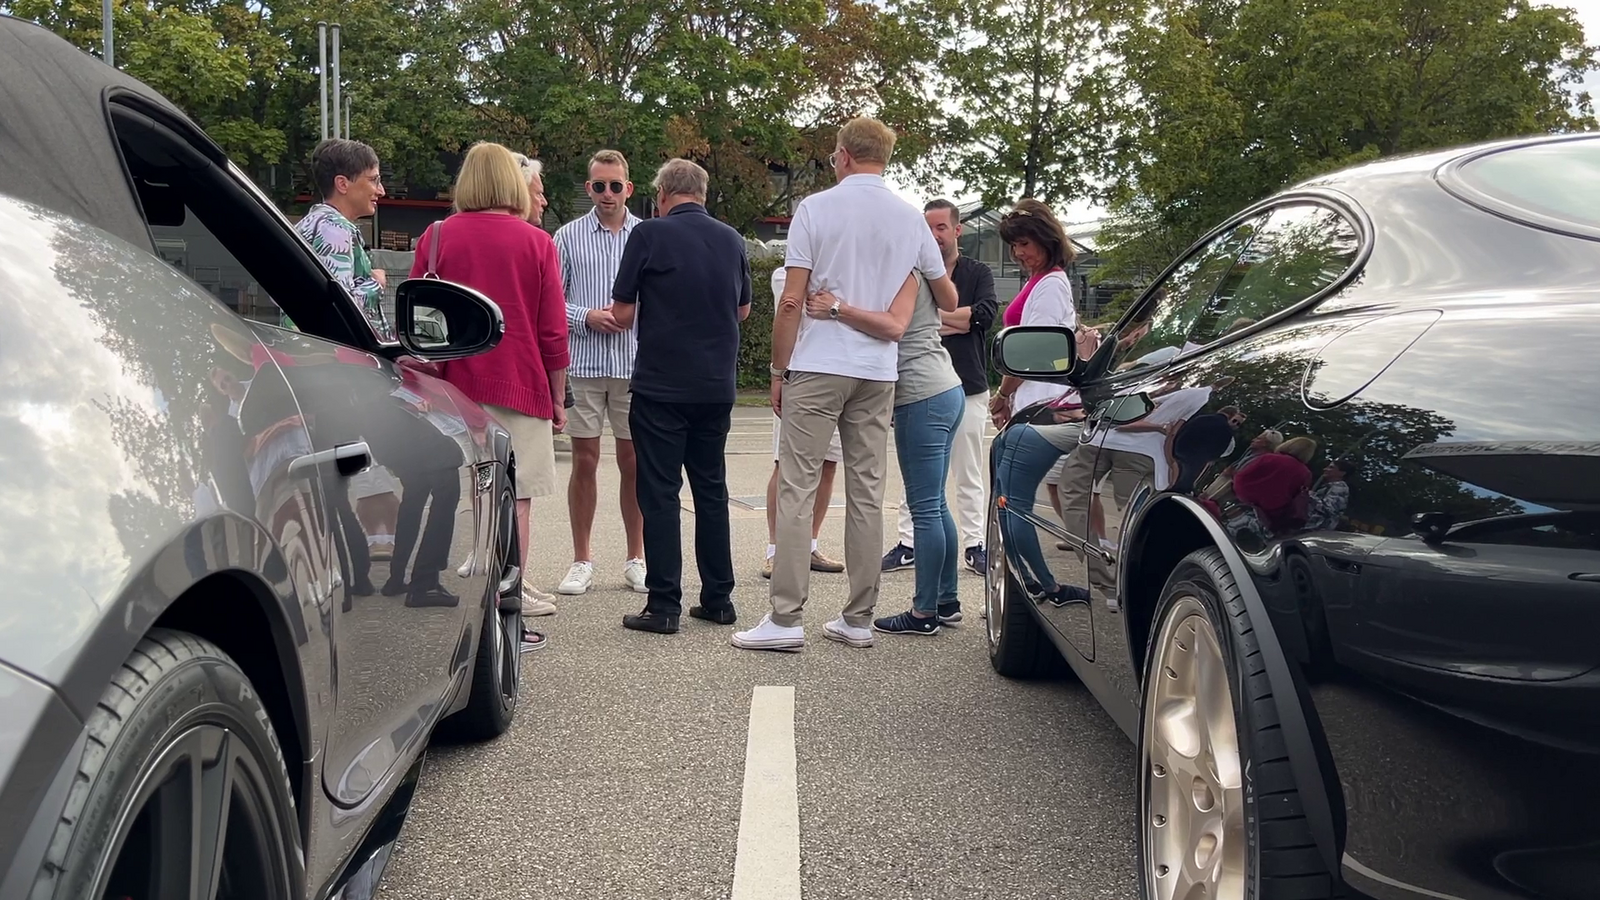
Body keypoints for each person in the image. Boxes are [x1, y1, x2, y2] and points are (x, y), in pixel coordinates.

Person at [732, 116, 959, 653]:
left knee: (797, 486)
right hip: (878, 368)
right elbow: (945, 294)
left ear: (843, 156)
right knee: (867, 492)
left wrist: (778, 370)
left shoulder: (815, 209)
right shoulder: (911, 219)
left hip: (819, 362)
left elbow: (792, 300)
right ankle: (858, 617)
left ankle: (786, 617)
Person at [409, 141, 570, 649]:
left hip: (453, 388)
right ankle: (507, 613)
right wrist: (557, 397)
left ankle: (465, 607)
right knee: (516, 501)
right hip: (521, 383)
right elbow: (552, 332)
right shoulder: (537, 242)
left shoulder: (436, 237)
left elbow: (419, 319)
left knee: (466, 500)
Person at [608, 159, 752, 634]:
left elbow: (623, 313)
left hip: (662, 385)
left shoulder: (649, 234)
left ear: (663, 194)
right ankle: (719, 599)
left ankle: (664, 603)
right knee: (711, 491)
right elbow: (744, 310)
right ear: (703, 194)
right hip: (715, 385)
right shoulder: (732, 240)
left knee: (660, 493)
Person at [810, 267, 962, 635]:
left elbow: (891, 326)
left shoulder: (901, 271)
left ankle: (924, 612)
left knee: (925, 507)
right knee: (935, 503)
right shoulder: (921, 270)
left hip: (920, 394)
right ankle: (946, 601)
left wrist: (837, 309)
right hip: (945, 386)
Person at [883, 198, 998, 577]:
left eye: (941, 227)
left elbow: (983, 316)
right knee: (916, 475)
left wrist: (931, 320)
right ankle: (909, 543)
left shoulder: (977, 272)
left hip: (968, 385)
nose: (934, 235)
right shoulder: (912, 272)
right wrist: (954, 320)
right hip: (917, 390)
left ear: (957, 230)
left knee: (968, 472)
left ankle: (974, 545)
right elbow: (902, 324)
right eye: (927, 227)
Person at [553, 149, 646, 596]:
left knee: (634, 463)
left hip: (632, 364)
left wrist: (631, 314)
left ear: (628, 188)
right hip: (585, 365)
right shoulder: (567, 236)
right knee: (585, 461)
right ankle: (581, 559)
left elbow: (661, 295)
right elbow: (551, 300)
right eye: (598, 185)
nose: (607, 194)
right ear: (588, 188)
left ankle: (636, 558)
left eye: (615, 185)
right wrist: (586, 316)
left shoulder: (646, 235)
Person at [761, 265, 845, 580]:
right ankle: (775, 550)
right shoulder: (784, 275)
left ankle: (809, 544)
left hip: (838, 374)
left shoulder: (839, 267)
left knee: (828, 463)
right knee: (785, 464)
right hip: (797, 376)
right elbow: (798, 306)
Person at [294, 138, 392, 340]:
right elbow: (340, 310)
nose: (381, 190)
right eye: (374, 180)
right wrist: (376, 284)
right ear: (342, 184)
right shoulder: (334, 230)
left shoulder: (313, 223)